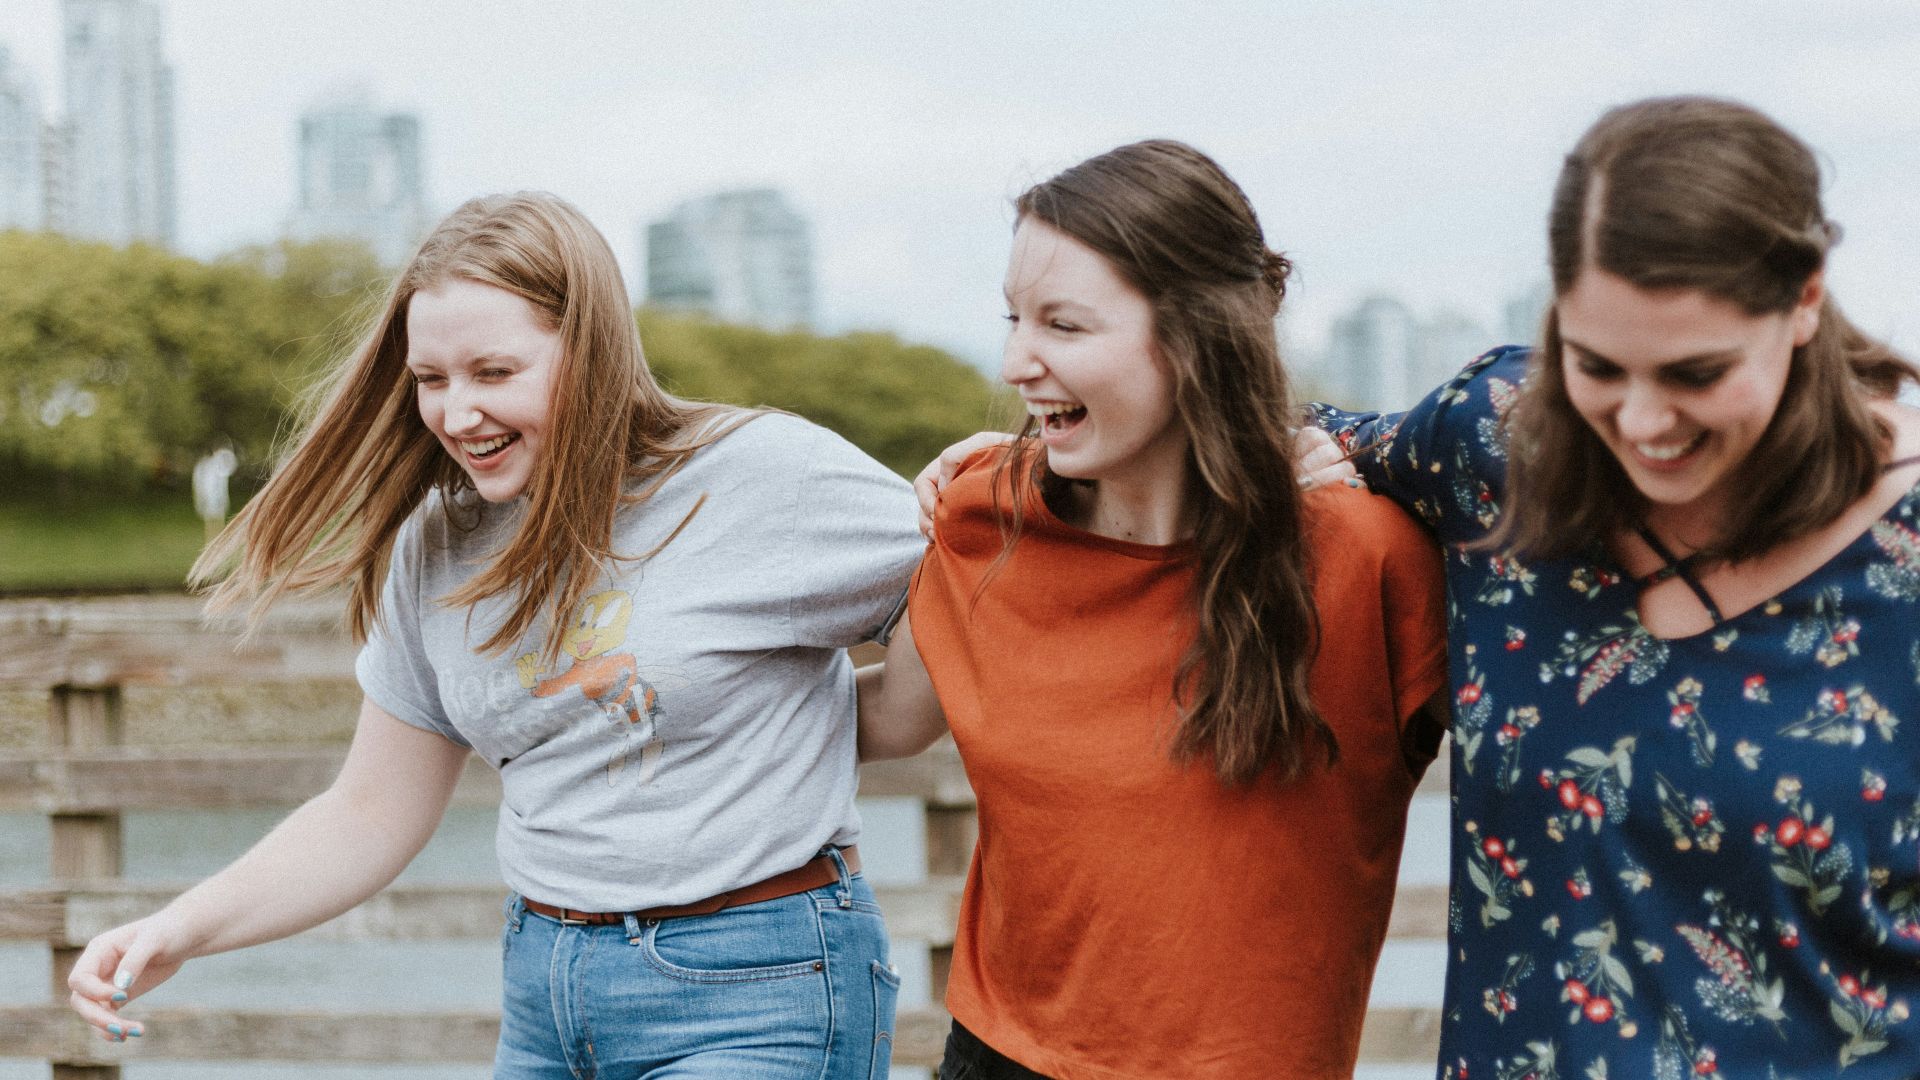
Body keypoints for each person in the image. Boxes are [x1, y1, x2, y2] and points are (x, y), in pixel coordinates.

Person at [64, 192, 923, 1079]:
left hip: (761, 988)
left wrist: (837, 715)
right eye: (431, 380)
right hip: (547, 993)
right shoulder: (438, 543)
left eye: (494, 372)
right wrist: (177, 930)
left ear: (588, 352)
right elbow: (368, 813)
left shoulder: (758, 476)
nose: (456, 413)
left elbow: (967, 589)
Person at [1312, 97, 1920, 1078]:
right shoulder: (1499, 439)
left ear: (1804, 301)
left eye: (1695, 371)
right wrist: (1009, 473)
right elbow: (1264, 436)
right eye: (1594, 365)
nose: (1641, 422)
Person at [859, 140, 1450, 1079]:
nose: (1017, 361)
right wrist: (649, 686)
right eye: (1014, 319)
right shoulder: (982, 516)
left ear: (1197, 336)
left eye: (1064, 325)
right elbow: (884, 720)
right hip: (996, 1059)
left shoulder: (1368, 557)